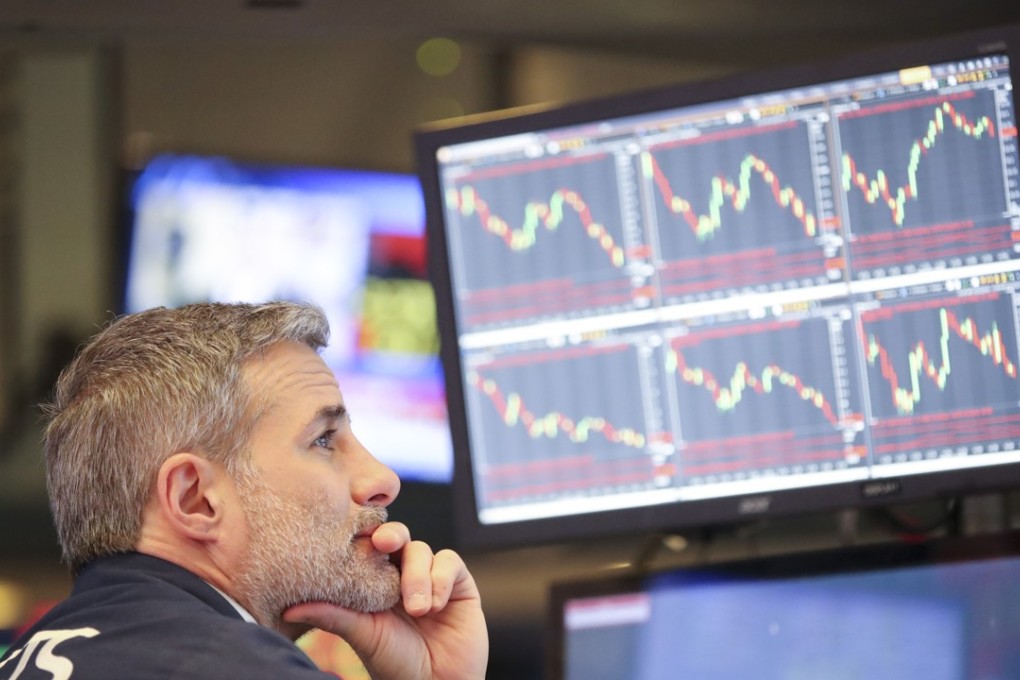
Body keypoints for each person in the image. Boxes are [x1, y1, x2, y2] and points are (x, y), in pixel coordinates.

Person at [0, 301, 488, 680]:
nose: (383, 480)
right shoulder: (234, 667)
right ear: (196, 499)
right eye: (323, 440)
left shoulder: (32, 653)